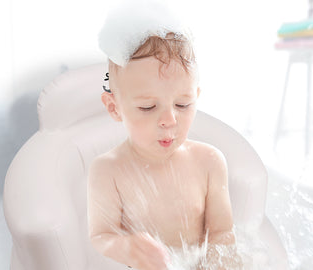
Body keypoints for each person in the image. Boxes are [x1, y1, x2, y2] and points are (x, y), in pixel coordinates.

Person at [88, 1, 241, 269]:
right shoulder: (108, 170)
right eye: (148, 107)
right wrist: (125, 247)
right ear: (114, 107)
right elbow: (101, 235)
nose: (170, 120)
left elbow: (222, 233)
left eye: (183, 104)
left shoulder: (209, 162)